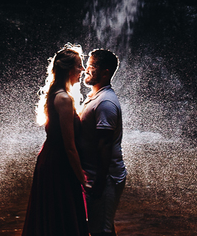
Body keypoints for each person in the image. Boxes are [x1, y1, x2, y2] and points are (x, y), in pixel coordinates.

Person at [22, 44, 89, 236]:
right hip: (59, 165)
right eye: (79, 66)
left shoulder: (56, 93)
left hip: (50, 161)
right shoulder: (64, 99)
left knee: (53, 217)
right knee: (63, 217)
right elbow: (69, 147)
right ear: (68, 70)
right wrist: (82, 179)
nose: (82, 70)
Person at [78, 48, 125, 236]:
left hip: (106, 178)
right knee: (98, 227)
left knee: (102, 231)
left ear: (105, 72)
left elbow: (104, 145)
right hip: (95, 175)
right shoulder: (96, 97)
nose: (85, 70)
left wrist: (100, 182)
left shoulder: (106, 102)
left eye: (91, 66)